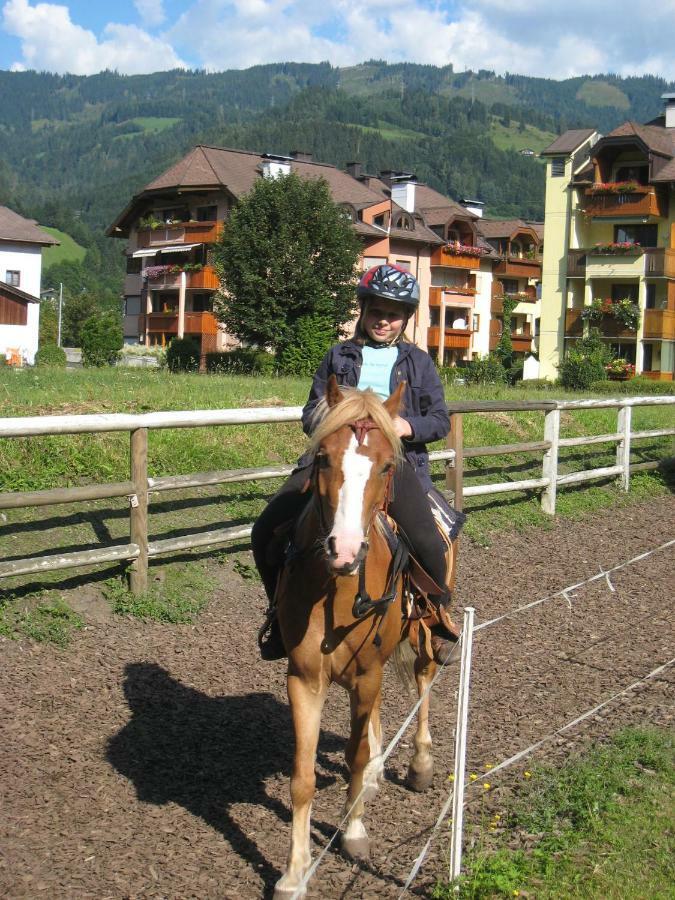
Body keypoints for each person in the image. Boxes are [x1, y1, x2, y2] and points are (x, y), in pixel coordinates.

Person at [252, 263, 461, 663]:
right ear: (363, 311)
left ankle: (436, 617)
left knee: (431, 542)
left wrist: (404, 425)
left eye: (393, 314)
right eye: (376, 311)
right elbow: (311, 411)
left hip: (393, 465)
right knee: (264, 529)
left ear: (405, 319)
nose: (383, 321)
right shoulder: (338, 356)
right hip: (335, 460)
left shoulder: (418, 363)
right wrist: (336, 423)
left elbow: (439, 420)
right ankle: (279, 616)